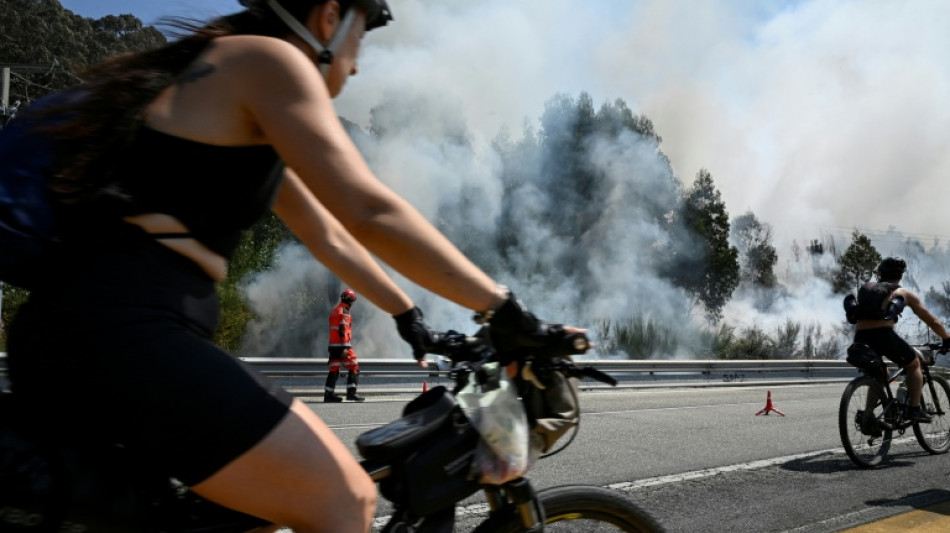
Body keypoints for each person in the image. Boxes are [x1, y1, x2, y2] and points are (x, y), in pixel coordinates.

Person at [5, 1, 588, 532]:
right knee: (344, 500)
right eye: (367, 32)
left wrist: (409, 316)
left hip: (86, 332)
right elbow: (367, 209)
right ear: (331, 17)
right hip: (127, 333)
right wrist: (504, 308)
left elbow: (331, 237)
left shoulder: (232, 98)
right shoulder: (270, 60)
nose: (358, 66)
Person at [846, 257, 950, 423]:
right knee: (914, 364)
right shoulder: (903, 293)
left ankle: (869, 416)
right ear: (901, 276)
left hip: (861, 337)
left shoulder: (868, 288)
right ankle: (914, 409)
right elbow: (933, 321)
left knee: (880, 375)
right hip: (883, 336)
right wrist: (946, 338)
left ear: (880, 274)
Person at [326, 288, 363, 403]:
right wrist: (345, 348)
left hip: (333, 346)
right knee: (354, 366)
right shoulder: (345, 312)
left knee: (334, 370)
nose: (352, 304)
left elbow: (334, 330)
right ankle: (351, 393)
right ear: (349, 301)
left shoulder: (333, 311)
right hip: (343, 346)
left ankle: (328, 394)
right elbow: (344, 330)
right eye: (352, 301)